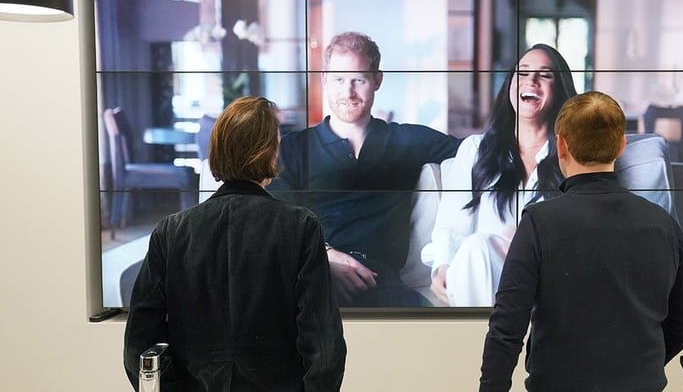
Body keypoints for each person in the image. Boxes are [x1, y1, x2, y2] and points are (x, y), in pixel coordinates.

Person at [479, 91, 683, 392]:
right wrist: (641, 364)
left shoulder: (538, 222)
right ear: (621, 146)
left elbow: (506, 329)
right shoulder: (664, 224)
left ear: (561, 145)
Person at [124, 96, 346, 391]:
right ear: (269, 153)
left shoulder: (172, 231)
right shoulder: (300, 227)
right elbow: (323, 345)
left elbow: (140, 343)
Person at [269, 31, 461, 307]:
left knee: (428, 330)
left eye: (358, 79)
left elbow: (480, 151)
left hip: (381, 282)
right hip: (312, 277)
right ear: (324, 80)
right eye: (338, 79)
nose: (348, 92)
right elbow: (276, 221)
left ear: (377, 80)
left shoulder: (408, 141)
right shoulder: (293, 149)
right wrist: (326, 256)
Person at [428, 44, 577, 307]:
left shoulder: (576, 156)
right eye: (523, 72)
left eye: (545, 74)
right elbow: (451, 227)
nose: (531, 79)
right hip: (487, 281)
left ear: (560, 90)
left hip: (552, 286)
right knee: (477, 247)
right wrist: (443, 266)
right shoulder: (476, 151)